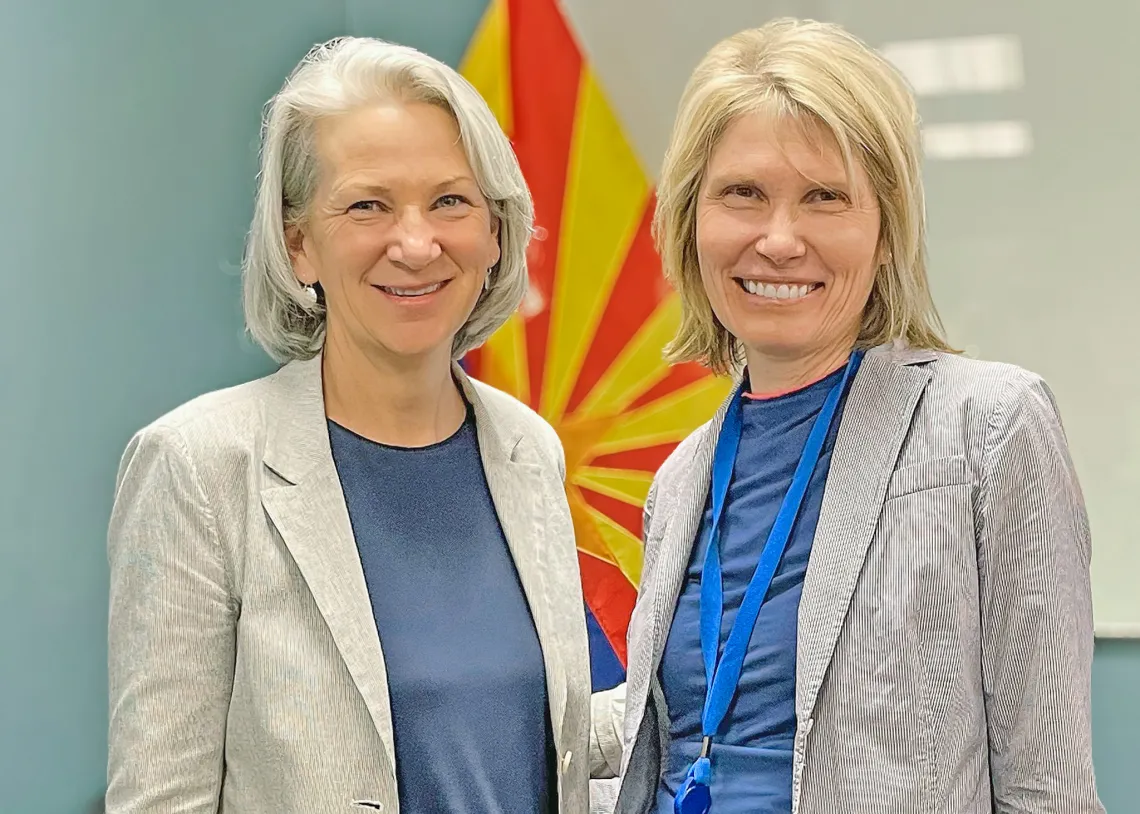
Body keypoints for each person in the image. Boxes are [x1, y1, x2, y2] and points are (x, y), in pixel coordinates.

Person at [590, 18, 1104, 814]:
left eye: (825, 198)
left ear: (886, 230)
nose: (780, 238)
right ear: (692, 223)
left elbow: (1049, 789)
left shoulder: (991, 429)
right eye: (743, 194)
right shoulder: (682, 477)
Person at [106, 37, 591, 814]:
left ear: (495, 233)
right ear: (299, 243)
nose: (416, 242)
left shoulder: (528, 449)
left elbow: (523, 734)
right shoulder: (198, 467)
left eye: (451, 202)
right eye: (368, 205)